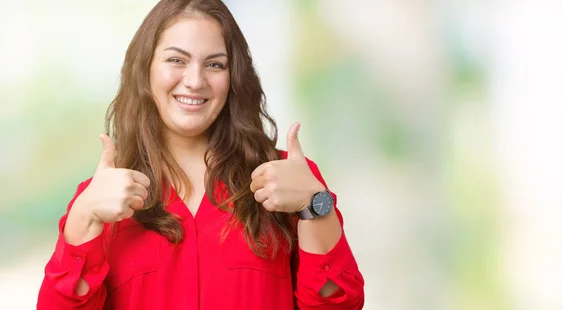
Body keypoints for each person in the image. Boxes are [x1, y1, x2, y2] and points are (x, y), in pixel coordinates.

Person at [36, 0, 364, 309]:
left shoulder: (290, 180)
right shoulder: (99, 198)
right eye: (176, 60)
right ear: (145, 70)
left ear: (233, 77)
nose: (195, 81)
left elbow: (336, 304)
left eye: (214, 64)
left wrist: (315, 206)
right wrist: (83, 219)